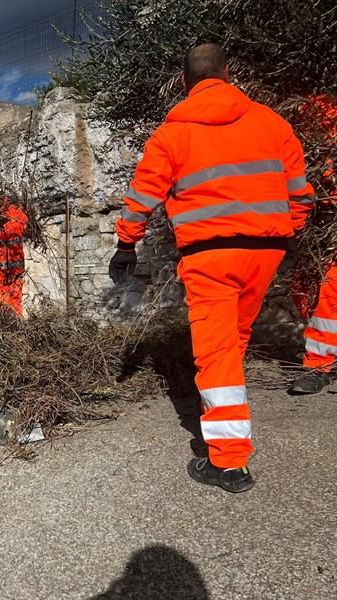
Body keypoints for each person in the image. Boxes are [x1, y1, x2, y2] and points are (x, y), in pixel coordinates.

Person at [108, 43, 315, 493]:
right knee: (234, 341)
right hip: (264, 253)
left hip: (209, 259)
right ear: (227, 72)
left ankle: (228, 461)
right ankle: (225, 416)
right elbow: (300, 193)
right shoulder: (272, 122)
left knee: (217, 352)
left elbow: (144, 195)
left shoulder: (171, 134)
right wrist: (289, 237)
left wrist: (126, 244)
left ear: (184, 82)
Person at [288, 94, 337, 394]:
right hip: (314, 213)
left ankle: (318, 365)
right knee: (302, 285)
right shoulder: (307, 103)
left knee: (330, 290)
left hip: (326, 211)